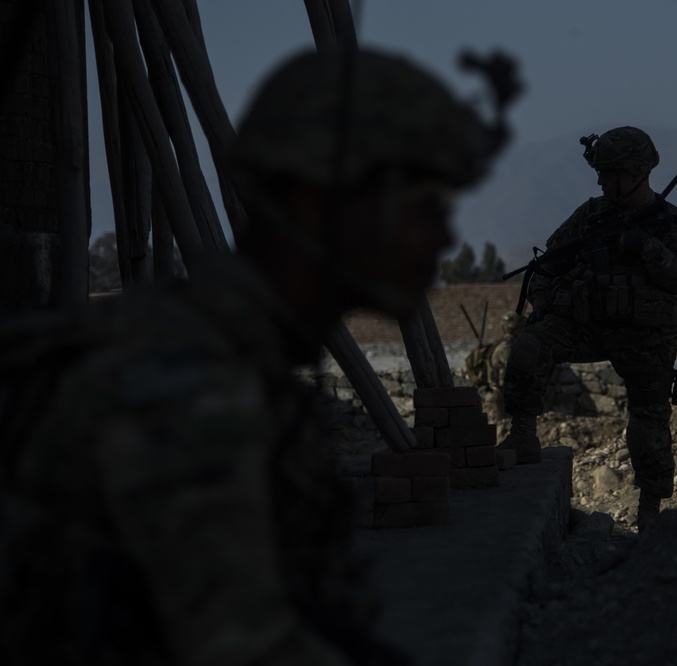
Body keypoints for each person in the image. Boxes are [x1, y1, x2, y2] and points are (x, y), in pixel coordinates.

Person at [0, 46, 513, 664]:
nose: (445, 236)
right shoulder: (187, 384)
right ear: (318, 203)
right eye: (422, 206)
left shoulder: (233, 355)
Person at [498, 126, 677, 532]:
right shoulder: (591, 215)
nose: (602, 181)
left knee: (648, 423)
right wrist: (547, 304)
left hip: (645, 336)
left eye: (612, 173)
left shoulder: (666, 223)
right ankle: (522, 435)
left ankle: (650, 513)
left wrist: (647, 249)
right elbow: (547, 263)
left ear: (638, 172)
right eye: (601, 172)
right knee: (528, 347)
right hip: (588, 327)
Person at [480, 311, 525, 423]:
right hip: (499, 399)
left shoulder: (505, 344)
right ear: (514, 329)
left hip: (502, 396)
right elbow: (518, 369)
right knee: (500, 431)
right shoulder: (506, 348)